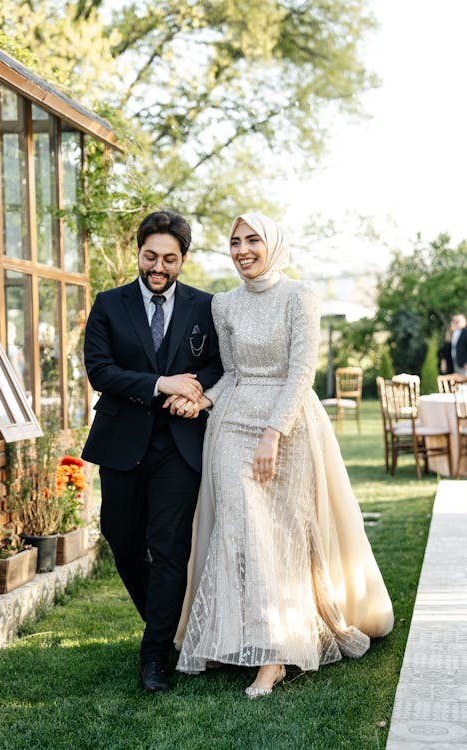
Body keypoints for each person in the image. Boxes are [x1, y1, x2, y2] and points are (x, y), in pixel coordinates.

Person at [171, 211, 394, 698]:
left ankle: (273, 657)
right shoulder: (224, 305)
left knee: (280, 534)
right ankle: (231, 635)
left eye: (253, 239)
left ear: (273, 243)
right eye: (235, 241)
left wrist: (273, 433)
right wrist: (201, 399)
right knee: (239, 527)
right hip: (230, 425)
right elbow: (230, 373)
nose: (243, 249)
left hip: (289, 426)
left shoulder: (300, 295)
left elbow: (301, 373)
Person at [81, 210, 223, 694]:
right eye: (150, 256)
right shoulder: (108, 304)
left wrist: (198, 390)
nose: (158, 267)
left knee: (169, 550)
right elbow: (100, 370)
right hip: (122, 442)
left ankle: (156, 654)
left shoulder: (206, 306)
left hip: (180, 447)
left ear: (183, 259)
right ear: (137, 253)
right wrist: (162, 383)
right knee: (122, 541)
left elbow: (219, 363)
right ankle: (163, 625)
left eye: (169, 258)